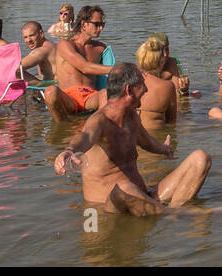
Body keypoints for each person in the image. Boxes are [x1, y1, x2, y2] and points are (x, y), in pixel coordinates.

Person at [54, 62, 211, 215]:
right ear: (129, 90)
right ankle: (174, 214)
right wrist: (69, 151)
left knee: (201, 158)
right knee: (124, 187)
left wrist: (165, 149)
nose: (146, 89)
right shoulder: (100, 121)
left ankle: (174, 212)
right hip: (109, 208)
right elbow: (85, 136)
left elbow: (146, 142)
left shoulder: (131, 117)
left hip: (144, 196)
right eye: (142, 84)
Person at [44, 5, 112, 119]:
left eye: (102, 24)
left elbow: (109, 75)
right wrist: (117, 68)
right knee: (50, 91)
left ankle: (100, 128)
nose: (101, 28)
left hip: (91, 97)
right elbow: (84, 67)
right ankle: (62, 127)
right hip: (69, 97)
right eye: (97, 24)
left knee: (105, 93)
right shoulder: (65, 45)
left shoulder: (101, 48)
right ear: (83, 24)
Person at [134, 34, 179, 126]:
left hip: (131, 134)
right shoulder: (167, 86)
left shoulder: (129, 81)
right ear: (161, 61)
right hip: (155, 136)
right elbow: (171, 121)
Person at [153, 33, 192, 98]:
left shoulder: (173, 63)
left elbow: (178, 93)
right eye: (161, 50)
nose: (165, 54)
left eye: (167, 49)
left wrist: (184, 90)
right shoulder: (146, 66)